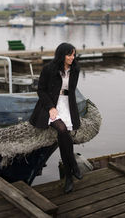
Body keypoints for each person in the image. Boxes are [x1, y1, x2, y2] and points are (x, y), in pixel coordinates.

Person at [29, 42, 82, 193]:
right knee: (62, 129)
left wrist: (73, 111)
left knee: (64, 138)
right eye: (69, 54)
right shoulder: (48, 69)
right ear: (62, 55)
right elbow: (41, 90)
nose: (72, 57)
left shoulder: (75, 69)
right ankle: (73, 165)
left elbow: (71, 91)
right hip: (51, 105)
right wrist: (51, 108)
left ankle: (69, 178)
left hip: (67, 105)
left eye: (73, 54)